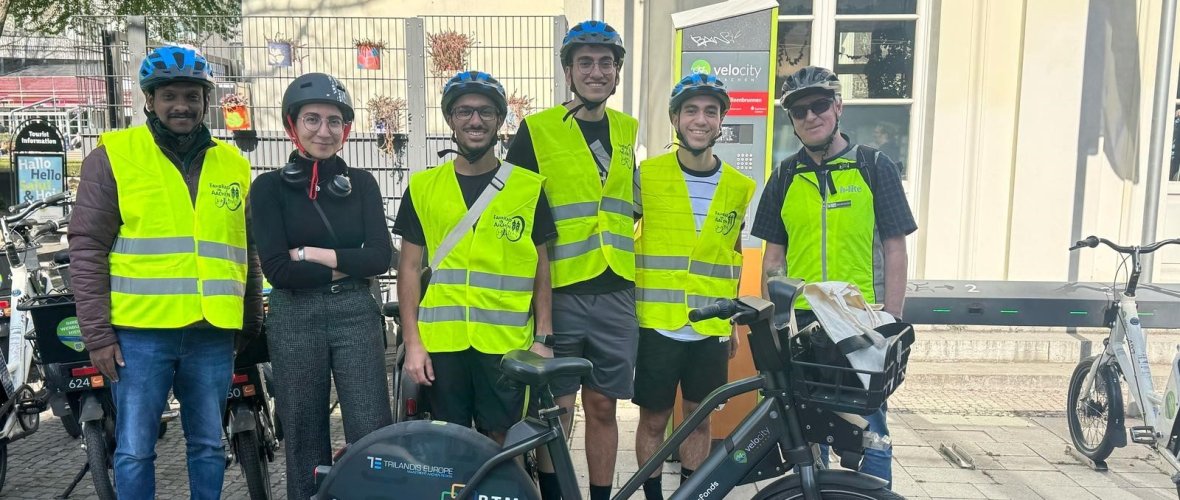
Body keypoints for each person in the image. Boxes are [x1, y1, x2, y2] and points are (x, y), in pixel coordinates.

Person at [68, 44, 264, 499]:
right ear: (149, 100)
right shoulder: (113, 156)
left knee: (210, 447)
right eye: (170, 95)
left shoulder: (233, 165)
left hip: (211, 331)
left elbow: (246, 248)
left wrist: (249, 318)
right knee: (135, 450)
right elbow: (87, 249)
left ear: (206, 100)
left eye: (192, 96)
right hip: (140, 334)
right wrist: (97, 336)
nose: (182, 106)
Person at [752, 66, 917, 488]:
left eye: (819, 105)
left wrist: (892, 316)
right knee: (808, 426)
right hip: (803, 322)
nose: (810, 116)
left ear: (838, 107)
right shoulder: (784, 176)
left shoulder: (874, 166)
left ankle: (875, 493)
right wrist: (773, 320)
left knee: (871, 428)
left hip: (862, 320)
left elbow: (895, 247)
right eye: (799, 110)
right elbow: (773, 257)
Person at [504, 20, 638, 500]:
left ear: (617, 72)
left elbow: (629, 202)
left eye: (606, 63)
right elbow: (513, 211)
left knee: (603, 406)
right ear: (568, 71)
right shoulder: (537, 130)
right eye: (585, 62)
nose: (596, 71)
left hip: (617, 288)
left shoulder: (627, 130)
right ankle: (557, 494)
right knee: (557, 409)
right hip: (560, 291)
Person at [249, 72, 394, 500]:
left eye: (335, 122)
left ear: (346, 129)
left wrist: (313, 254)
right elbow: (279, 272)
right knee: (303, 430)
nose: (324, 131)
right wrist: (350, 262)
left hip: (355, 312)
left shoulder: (363, 184)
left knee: (372, 430)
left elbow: (381, 258)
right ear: (292, 124)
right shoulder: (269, 188)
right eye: (312, 119)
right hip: (295, 316)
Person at [394, 70, 556, 441]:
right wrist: (414, 343)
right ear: (451, 119)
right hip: (442, 345)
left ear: (500, 120)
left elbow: (541, 268)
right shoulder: (423, 187)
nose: (475, 120)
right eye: (464, 111)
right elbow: (408, 269)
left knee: (500, 441)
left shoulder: (528, 188)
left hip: (505, 344)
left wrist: (543, 338)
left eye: (486, 111)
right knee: (448, 443)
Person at [632, 74, 754, 500]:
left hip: (710, 326)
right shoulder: (647, 176)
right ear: (675, 119)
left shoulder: (739, 187)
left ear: (721, 121)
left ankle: (690, 493)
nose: (700, 120)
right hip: (658, 323)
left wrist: (733, 326)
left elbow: (732, 256)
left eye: (710, 111)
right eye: (691, 110)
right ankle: (650, 496)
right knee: (652, 419)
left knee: (700, 419)